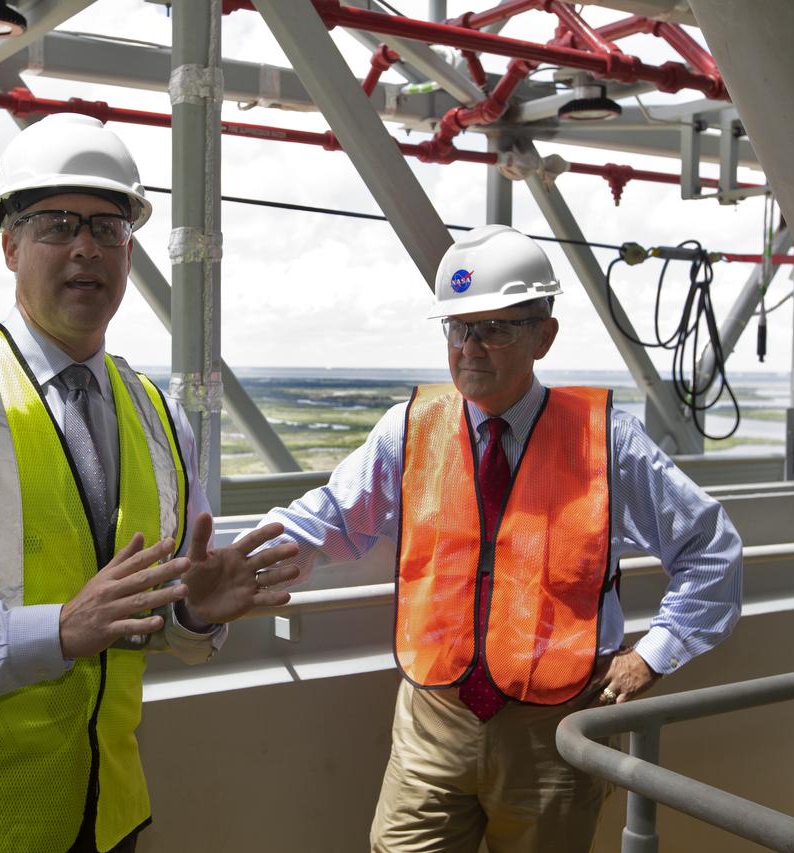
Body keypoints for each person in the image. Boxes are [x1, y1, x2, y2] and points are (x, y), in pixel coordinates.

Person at [0, 113, 298, 853]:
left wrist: (194, 616)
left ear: (130, 249)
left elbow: (150, 621)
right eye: (55, 224)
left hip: (104, 821)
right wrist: (57, 630)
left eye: (108, 228)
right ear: (9, 245)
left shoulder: (159, 416)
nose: (85, 247)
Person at [254, 225, 743, 853]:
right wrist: (241, 562)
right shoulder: (409, 428)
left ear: (544, 335)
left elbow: (710, 549)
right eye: (458, 329)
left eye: (496, 328)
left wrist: (654, 654)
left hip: (554, 727)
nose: (471, 348)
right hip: (434, 716)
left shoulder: (606, 443)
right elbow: (329, 518)